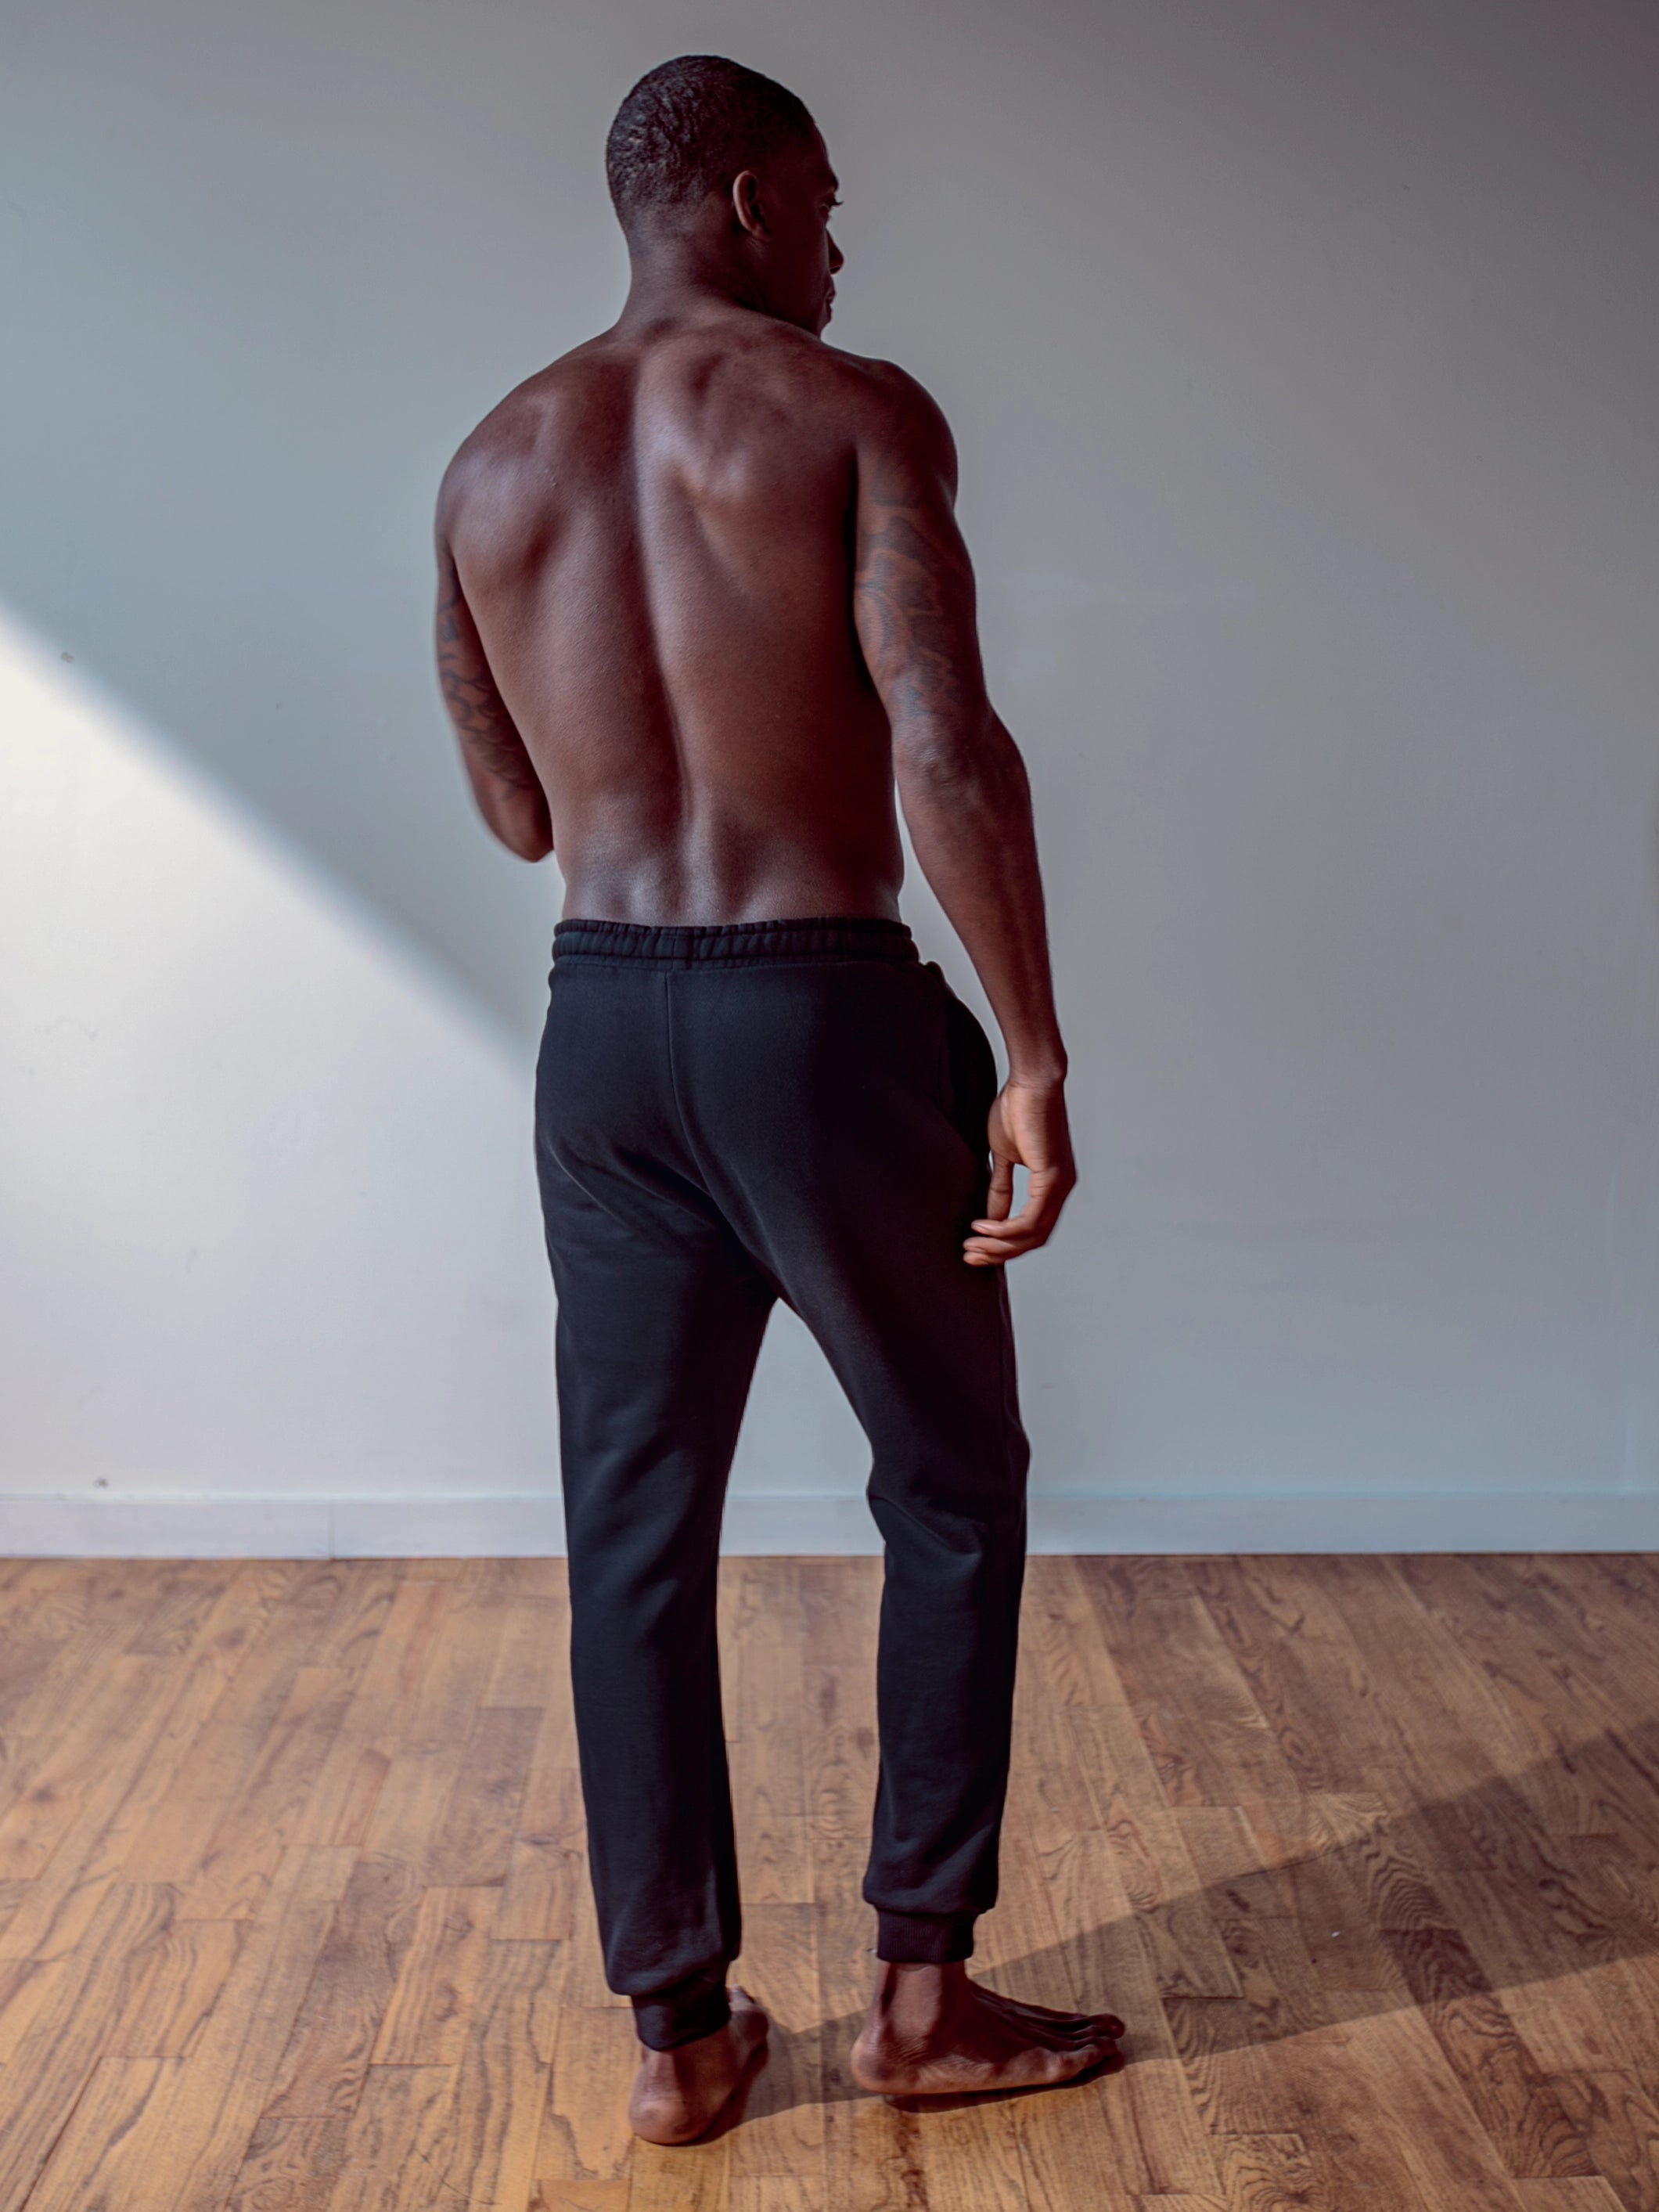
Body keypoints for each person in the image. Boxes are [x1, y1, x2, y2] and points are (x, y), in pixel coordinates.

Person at [434, 53, 1123, 2145]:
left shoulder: (488, 462)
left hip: (603, 1025)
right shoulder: (852, 413)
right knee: (947, 1476)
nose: (839, 242)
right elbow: (947, 745)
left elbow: (510, 804)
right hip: (814, 1009)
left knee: (629, 1529)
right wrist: (1029, 1044)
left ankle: (682, 2032)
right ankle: (921, 1985)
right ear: (739, 194)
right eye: (821, 201)